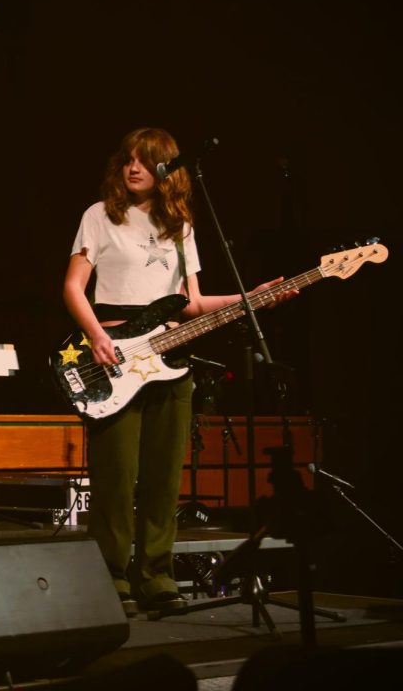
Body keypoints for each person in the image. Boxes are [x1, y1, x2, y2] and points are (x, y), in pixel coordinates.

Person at [62, 127, 294, 616]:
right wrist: (97, 337)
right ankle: (112, 576)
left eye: (145, 160)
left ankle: (156, 575)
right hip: (113, 354)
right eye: (127, 158)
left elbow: (191, 303)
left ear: (168, 169)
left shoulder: (181, 226)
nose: (133, 167)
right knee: (116, 476)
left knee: (165, 476)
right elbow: (72, 287)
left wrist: (254, 298)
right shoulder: (99, 216)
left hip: (171, 357)